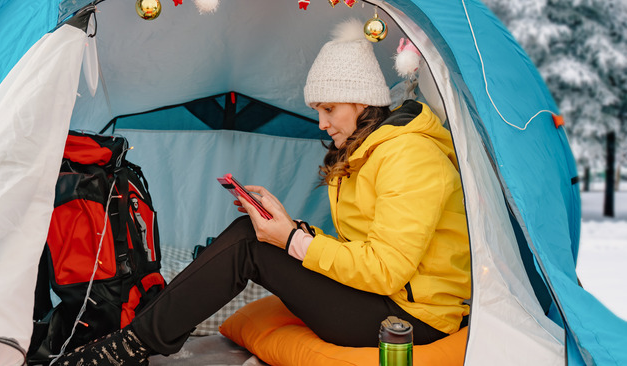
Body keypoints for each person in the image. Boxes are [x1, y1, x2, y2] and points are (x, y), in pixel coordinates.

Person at [56, 18, 471, 366]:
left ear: (361, 103)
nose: (322, 124)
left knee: (249, 246)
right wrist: (291, 227)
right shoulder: (372, 152)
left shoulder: (409, 156)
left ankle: (129, 346)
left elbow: (385, 270)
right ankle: (143, 331)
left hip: (408, 321)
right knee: (253, 232)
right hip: (383, 298)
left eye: (329, 110)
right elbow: (364, 250)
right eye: (318, 112)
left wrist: (292, 240)